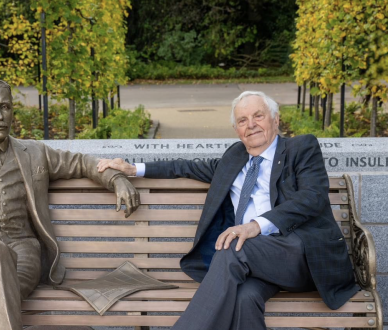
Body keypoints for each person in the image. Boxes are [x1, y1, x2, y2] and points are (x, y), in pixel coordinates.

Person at [97, 91, 358, 330]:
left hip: (301, 259)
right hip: (256, 265)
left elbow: (312, 198)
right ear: (236, 130)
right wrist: (133, 169)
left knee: (234, 245)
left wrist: (255, 225)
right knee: (245, 298)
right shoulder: (234, 159)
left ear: (275, 120)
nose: (251, 124)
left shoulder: (301, 149)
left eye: (258, 116)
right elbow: (184, 166)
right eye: (242, 120)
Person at [0, 77, 140, 330]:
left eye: (5, 107)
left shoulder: (34, 153)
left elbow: (82, 163)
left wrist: (117, 178)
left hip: (23, 252)